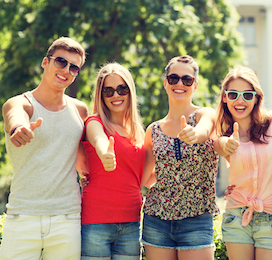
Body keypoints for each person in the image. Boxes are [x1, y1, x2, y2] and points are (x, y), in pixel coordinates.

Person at [0, 37, 88, 260]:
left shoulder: (80, 110)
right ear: (45, 62)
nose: (66, 70)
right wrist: (19, 128)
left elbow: (83, 162)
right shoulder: (20, 103)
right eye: (60, 61)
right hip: (22, 216)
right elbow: (15, 117)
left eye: (74, 67)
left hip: (66, 218)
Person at [141, 55, 219, 260]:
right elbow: (143, 177)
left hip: (196, 218)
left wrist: (195, 135)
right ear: (165, 82)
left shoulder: (205, 114)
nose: (180, 84)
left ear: (195, 85)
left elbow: (205, 128)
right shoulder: (153, 130)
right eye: (174, 78)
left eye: (187, 80)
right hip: (156, 219)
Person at [80, 62, 146, 260]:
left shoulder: (138, 133)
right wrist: (105, 153)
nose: (116, 95)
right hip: (96, 220)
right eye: (108, 91)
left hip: (132, 222)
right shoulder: (95, 122)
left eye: (121, 89)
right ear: (101, 96)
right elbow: (99, 140)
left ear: (130, 91)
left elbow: (146, 176)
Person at [214, 66, 272, 260]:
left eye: (247, 95)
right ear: (224, 97)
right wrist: (227, 143)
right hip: (237, 216)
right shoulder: (223, 136)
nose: (240, 100)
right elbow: (221, 146)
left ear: (256, 98)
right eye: (233, 94)